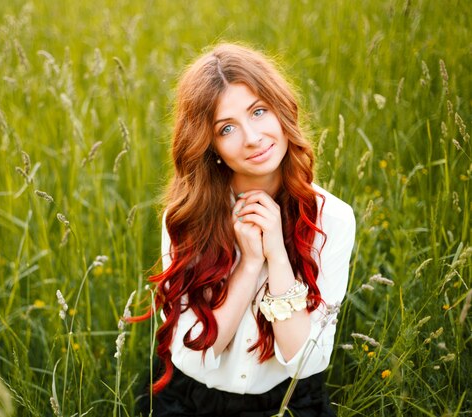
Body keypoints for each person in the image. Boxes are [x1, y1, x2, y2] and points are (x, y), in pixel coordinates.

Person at [136, 42, 355, 417]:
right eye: (227, 128)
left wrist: (277, 255)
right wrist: (249, 264)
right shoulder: (187, 216)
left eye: (258, 111)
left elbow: (305, 361)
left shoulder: (331, 218)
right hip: (192, 399)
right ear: (212, 147)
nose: (252, 137)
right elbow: (196, 353)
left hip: (287, 402)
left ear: (282, 110)